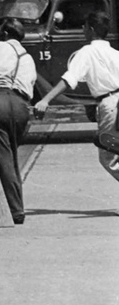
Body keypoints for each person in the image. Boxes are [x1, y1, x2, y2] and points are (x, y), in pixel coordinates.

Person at [35, 12, 119, 186]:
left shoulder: (87, 52)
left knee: (108, 156)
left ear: (92, 29)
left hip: (110, 105)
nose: (83, 30)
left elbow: (69, 79)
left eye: (85, 27)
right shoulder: (114, 53)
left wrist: (46, 100)